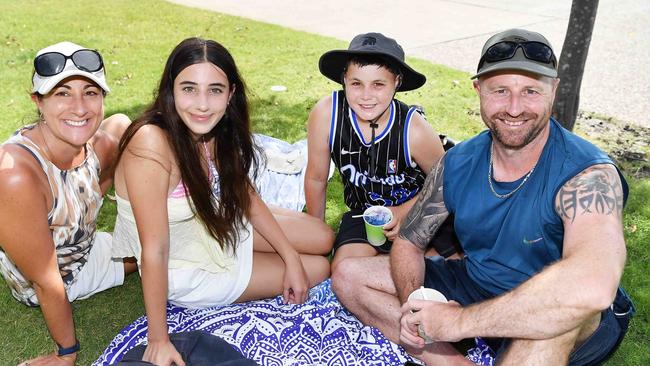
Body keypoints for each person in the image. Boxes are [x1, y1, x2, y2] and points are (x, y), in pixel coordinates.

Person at [332, 28, 635, 365]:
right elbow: (408, 242)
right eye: (500, 91)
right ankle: (448, 358)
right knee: (347, 275)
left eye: (531, 91)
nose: (515, 108)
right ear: (478, 90)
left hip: (556, 310)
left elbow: (592, 284)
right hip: (476, 284)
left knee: (556, 319)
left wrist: (458, 322)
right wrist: (417, 306)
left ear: (554, 90)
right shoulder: (459, 161)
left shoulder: (589, 176)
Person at [111, 37, 331, 366]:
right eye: (189, 89)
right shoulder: (150, 143)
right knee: (321, 266)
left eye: (214, 90)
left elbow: (244, 194)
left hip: (214, 227)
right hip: (187, 268)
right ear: (171, 90)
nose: (202, 104)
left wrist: (290, 258)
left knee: (323, 237)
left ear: (230, 94)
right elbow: (154, 248)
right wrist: (158, 339)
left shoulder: (215, 128)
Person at [0, 41, 135, 366]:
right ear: (38, 102)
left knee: (121, 125)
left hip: (85, 242)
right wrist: (66, 353)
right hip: (62, 274)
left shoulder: (99, 145)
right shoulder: (15, 175)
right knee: (174, 244)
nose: (79, 107)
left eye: (90, 92)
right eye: (62, 93)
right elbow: (47, 282)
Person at [305, 32, 459, 272]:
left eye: (378, 84)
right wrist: (314, 236)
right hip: (363, 214)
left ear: (397, 82)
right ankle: (400, 267)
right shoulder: (327, 114)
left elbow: (446, 183)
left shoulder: (414, 129)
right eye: (356, 83)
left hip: (418, 210)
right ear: (344, 79)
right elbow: (316, 178)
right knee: (343, 269)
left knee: (452, 267)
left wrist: (405, 212)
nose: (366, 96)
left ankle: (411, 264)